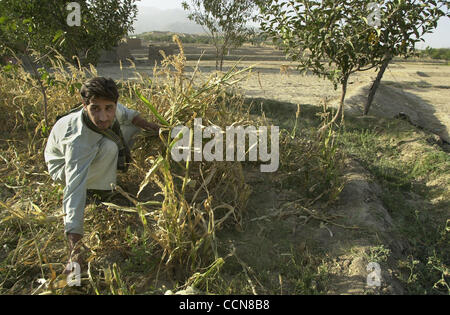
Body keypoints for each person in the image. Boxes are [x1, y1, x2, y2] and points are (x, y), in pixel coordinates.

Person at [44, 77, 159, 273]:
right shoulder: (78, 142)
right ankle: (100, 192)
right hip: (62, 166)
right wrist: (74, 252)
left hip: (89, 149)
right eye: (95, 109)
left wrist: (155, 128)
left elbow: (130, 115)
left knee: (134, 130)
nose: (104, 116)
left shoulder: (111, 108)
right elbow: (73, 190)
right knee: (109, 147)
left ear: (114, 103)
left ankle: (103, 177)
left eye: (109, 108)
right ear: (84, 105)